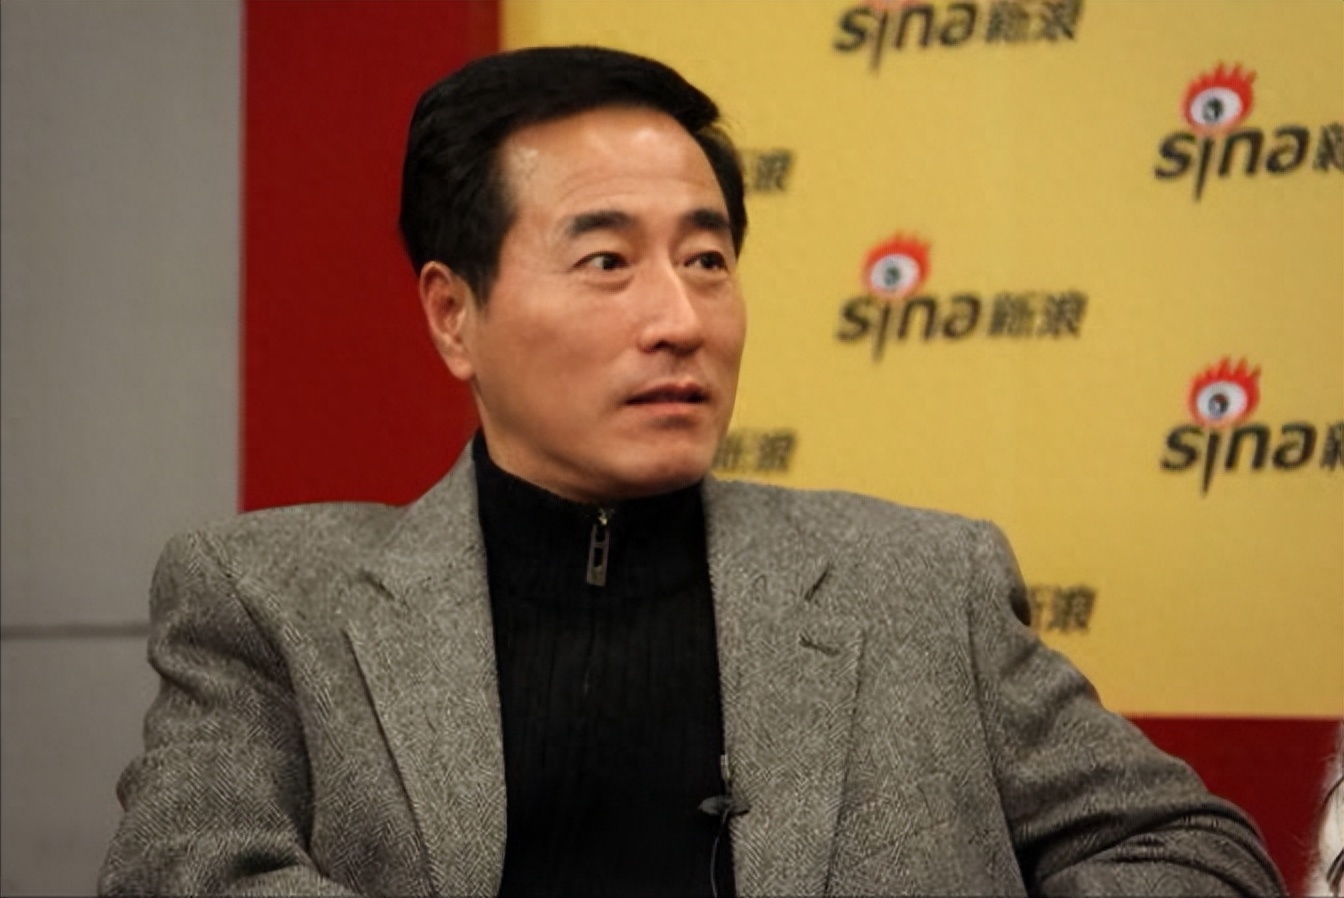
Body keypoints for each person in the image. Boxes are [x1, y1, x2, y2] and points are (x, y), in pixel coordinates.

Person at [99, 46, 1284, 897]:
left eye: (708, 259)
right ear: (455, 315)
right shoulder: (269, 598)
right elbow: (182, 871)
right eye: (607, 262)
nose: (680, 319)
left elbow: (1197, 852)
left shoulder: (922, 582)